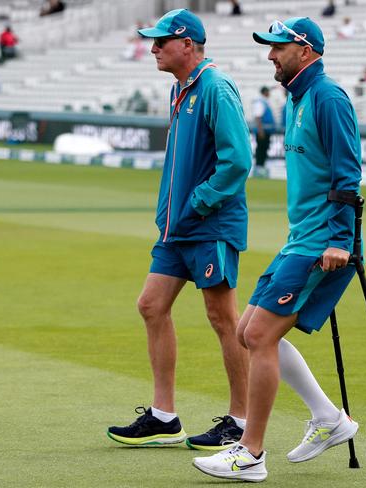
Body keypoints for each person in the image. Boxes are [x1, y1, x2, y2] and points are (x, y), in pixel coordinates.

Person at [193, 16, 360, 482]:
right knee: (249, 332)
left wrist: (340, 240)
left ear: (305, 51)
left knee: (260, 336)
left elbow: (348, 175)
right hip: (301, 239)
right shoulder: (297, 98)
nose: (270, 55)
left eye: (278, 47)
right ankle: (329, 419)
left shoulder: (327, 98)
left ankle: (250, 453)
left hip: (324, 241)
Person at [106, 9, 252, 452]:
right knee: (151, 305)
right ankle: (164, 417)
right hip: (177, 227)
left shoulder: (215, 88)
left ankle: (241, 421)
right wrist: (172, 211)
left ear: (187, 45)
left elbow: (239, 161)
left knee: (223, 320)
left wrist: (199, 201)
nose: (153, 48)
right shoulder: (180, 89)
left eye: (161, 41)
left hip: (210, 225)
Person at [252, 86, 275, 173]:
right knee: (261, 149)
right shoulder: (260, 103)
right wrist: (260, 131)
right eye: (268, 92)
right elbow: (258, 117)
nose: (269, 93)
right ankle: (259, 167)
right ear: (265, 92)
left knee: (264, 148)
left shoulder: (264, 102)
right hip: (262, 131)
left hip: (265, 131)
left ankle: (261, 166)